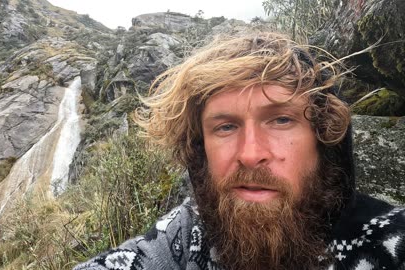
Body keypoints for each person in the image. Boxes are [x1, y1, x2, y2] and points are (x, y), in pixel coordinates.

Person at [74, 32, 405, 270]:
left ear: (323, 138)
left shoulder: (390, 242)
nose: (250, 153)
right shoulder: (188, 234)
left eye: (280, 119)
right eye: (226, 126)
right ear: (199, 148)